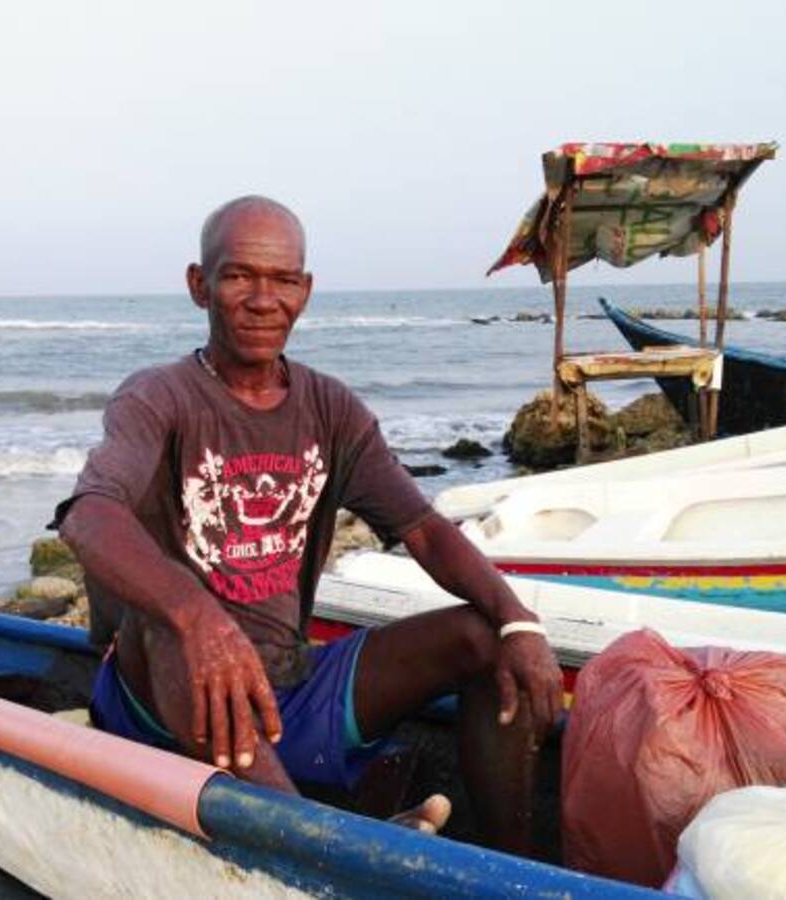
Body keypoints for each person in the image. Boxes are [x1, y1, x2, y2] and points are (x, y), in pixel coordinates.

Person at [53, 195, 563, 847]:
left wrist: (520, 622)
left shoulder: (329, 409)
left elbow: (425, 530)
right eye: (239, 276)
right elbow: (89, 516)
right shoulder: (159, 398)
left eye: (284, 280)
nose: (264, 299)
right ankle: (322, 850)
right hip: (174, 704)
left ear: (306, 290)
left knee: (485, 637)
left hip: (293, 686)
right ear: (199, 285)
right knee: (169, 632)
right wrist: (198, 615)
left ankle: (506, 868)